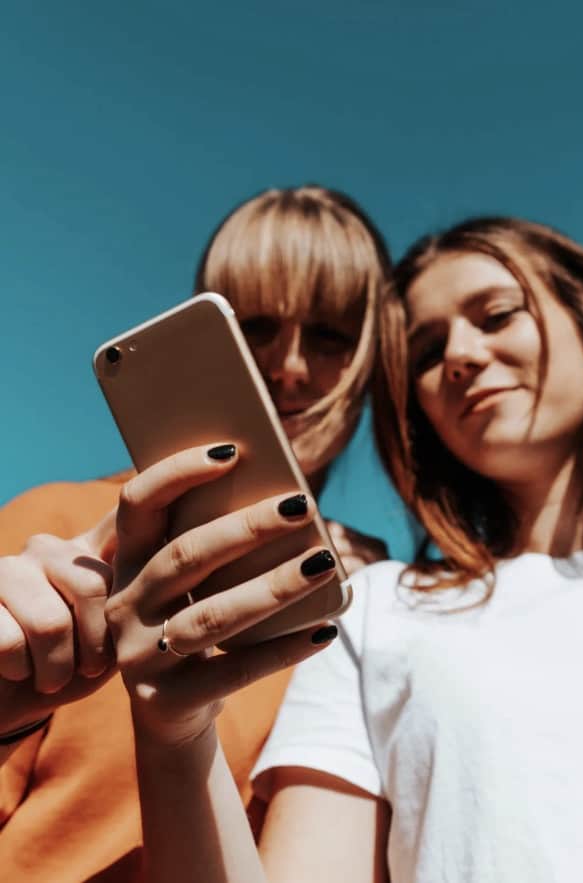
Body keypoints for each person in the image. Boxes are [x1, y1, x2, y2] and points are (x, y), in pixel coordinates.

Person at [110, 216, 583, 882]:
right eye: (425, 349)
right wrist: (175, 738)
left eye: (496, 314)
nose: (461, 354)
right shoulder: (375, 611)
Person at [0, 185, 393, 881]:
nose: (291, 365)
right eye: (256, 326)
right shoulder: (61, 524)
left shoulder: (390, 597)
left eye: (329, 334)